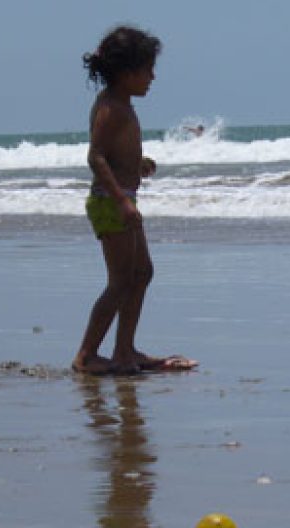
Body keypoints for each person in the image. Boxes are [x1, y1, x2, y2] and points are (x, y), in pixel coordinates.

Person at [74, 26, 197, 375]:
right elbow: (96, 157)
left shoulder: (122, 105)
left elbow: (114, 155)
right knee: (120, 281)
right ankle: (86, 355)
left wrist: (136, 164)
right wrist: (122, 201)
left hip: (122, 198)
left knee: (141, 273)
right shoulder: (111, 109)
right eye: (146, 70)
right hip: (110, 202)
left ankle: (125, 351)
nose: (152, 78)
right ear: (126, 73)